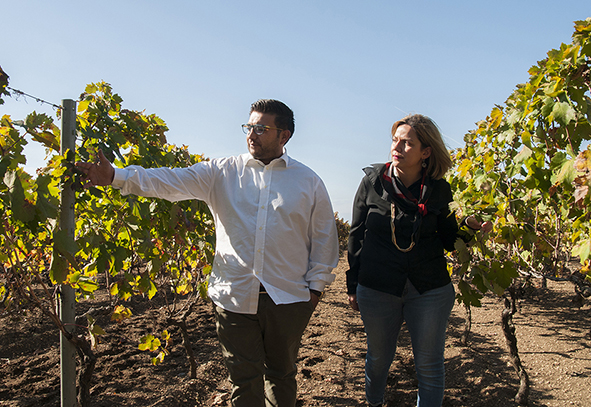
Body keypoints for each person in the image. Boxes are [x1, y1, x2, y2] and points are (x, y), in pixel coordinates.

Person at [76, 99, 339, 407]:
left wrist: (314, 294)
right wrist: (117, 177)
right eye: (249, 126)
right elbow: (169, 181)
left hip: (288, 299)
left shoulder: (308, 181)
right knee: (243, 379)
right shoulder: (222, 172)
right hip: (234, 295)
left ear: (285, 135)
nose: (252, 134)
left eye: (261, 128)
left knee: (281, 375)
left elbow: (323, 240)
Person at [346, 114, 492, 407]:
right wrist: (353, 285)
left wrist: (471, 228)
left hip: (429, 288)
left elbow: (451, 240)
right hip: (377, 287)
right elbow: (356, 235)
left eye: (407, 143)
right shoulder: (373, 183)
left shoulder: (440, 189)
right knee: (378, 358)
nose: (397, 147)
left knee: (430, 364)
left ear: (426, 152)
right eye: (395, 140)